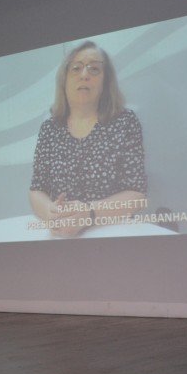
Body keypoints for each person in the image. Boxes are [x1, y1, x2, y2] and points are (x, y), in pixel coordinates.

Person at [29, 41, 147, 238]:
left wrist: (89, 214)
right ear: (64, 80)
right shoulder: (50, 128)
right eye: (76, 68)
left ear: (105, 81)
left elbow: (137, 194)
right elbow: (36, 190)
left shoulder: (125, 122)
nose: (84, 75)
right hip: (62, 238)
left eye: (94, 69)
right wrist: (50, 211)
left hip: (113, 236)